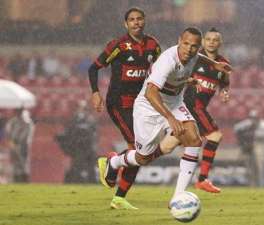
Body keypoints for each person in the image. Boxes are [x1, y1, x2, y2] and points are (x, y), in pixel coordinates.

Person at [97, 27, 232, 207]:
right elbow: (151, 93)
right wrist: (170, 118)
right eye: (185, 44)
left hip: (175, 102)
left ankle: (178, 198)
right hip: (149, 107)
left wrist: (213, 64)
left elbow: (198, 56)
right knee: (143, 158)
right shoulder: (167, 61)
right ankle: (113, 162)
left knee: (194, 139)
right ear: (179, 41)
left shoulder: (194, 55)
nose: (189, 49)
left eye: (194, 46)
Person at [88, 7, 161, 209]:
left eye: (139, 19)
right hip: (119, 102)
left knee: (141, 150)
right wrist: (95, 93)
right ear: (125, 24)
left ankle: (113, 168)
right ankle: (117, 186)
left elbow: (160, 71)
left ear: (144, 21)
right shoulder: (118, 45)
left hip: (141, 104)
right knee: (139, 148)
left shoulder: (153, 45)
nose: (136, 22)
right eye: (132, 20)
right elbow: (93, 67)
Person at [183, 28, 230, 193]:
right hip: (191, 104)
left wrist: (224, 91)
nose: (211, 42)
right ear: (203, 42)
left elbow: (224, 81)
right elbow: (178, 74)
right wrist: (188, 81)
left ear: (220, 43)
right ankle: (202, 180)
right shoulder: (194, 58)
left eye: (215, 40)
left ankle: (121, 162)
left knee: (165, 146)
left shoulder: (223, 63)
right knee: (215, 136)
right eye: (208, 39)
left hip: (198, 107)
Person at [56, 100, 98, 183]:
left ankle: (92, 183)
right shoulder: (74, 119)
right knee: (77, 167)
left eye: (82, 108)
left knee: (90, 168)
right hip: (78, 148)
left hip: (88, 147)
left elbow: (92, 132)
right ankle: (76, 182)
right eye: (79, 108)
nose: (80, 110)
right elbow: (69, 131)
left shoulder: (89, 119)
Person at [233, 110, 264, 187]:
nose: (253, 119)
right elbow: (236, 128)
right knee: (250, 168)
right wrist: (244, 134)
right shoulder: (248, 123)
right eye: (252, 118)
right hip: (251, 148)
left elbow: (263, 134)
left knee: (261, 168)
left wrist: (249, 133)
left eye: (255, 118)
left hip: (263, 148)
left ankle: (261, 185)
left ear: (258, 118)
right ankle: (252, 185)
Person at [4, 108, 34, 182]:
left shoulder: (27, 122)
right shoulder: (13, 121)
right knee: (15, 162)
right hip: (13, 143)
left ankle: (23, 178)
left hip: (23, 145)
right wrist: (12, 141)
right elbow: (8, 131)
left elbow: (27, 134)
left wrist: (19, 141)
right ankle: (16, 178)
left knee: (23, 162)